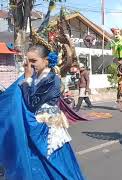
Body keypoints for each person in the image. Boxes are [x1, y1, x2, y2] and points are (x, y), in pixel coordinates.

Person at [0, 42, 84, 179]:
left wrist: (26, 78)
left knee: (53, 163)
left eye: (34, 61)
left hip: (47, 130)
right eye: (27, 61)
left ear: (46, 61)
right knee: (35, 163)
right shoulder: (34, 77)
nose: (30, 64)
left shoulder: (52, 79)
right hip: (34, 125)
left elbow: (32, 103)